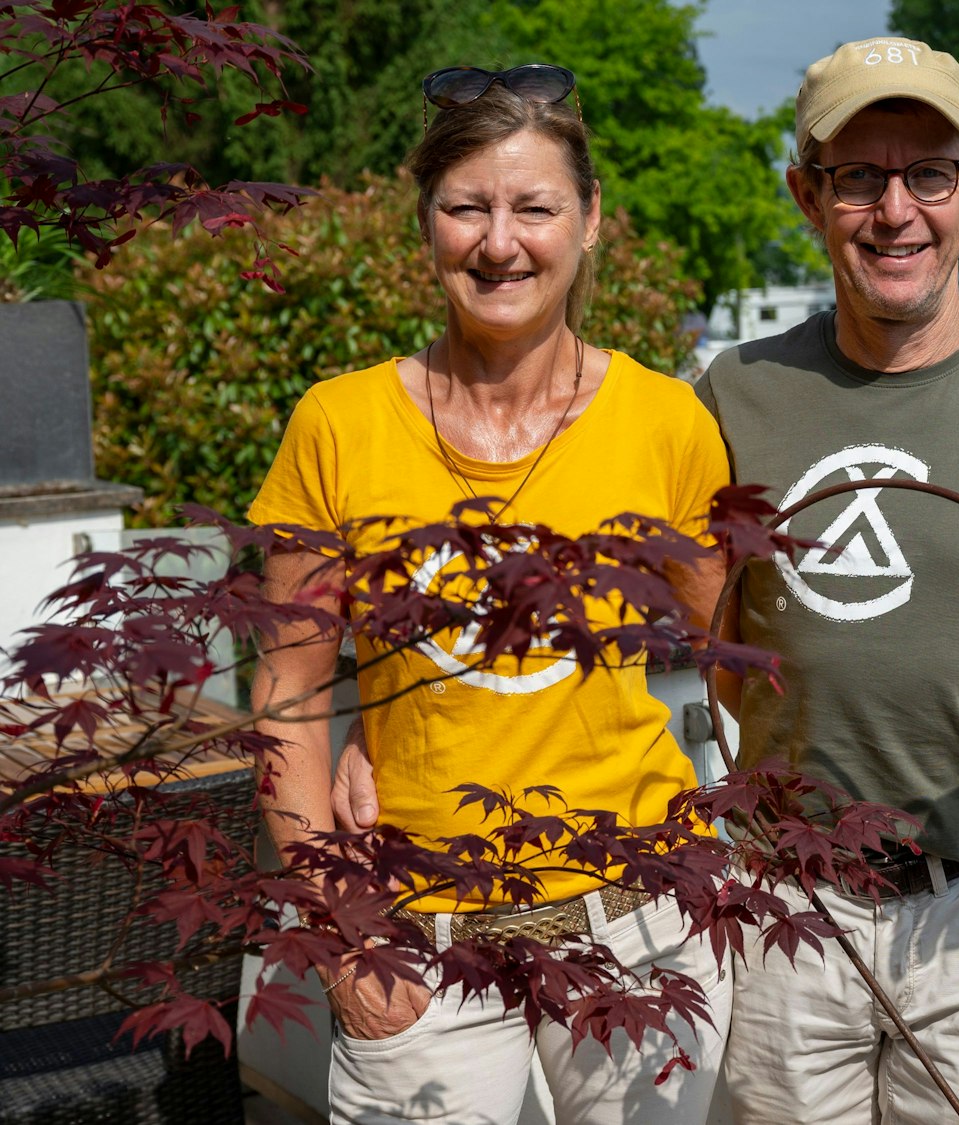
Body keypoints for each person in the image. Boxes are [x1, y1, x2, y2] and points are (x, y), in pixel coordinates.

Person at [335, 35, 959, 1125]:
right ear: (804, 194)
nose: (895, 211)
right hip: (782, 913)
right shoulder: (731, 394)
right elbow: (579, 578)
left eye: (928, 173)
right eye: (855, 178)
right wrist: (391, 716)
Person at [250, 63, 730, 1125]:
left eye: (534, 207)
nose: (499, 241)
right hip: (415, 938)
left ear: (591, 221)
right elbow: (284, 699)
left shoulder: (665, 424)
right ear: (425, 224)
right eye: (466, 207)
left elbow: (743, 659)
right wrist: (338, 941)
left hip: (638, 930)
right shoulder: (339, 425)